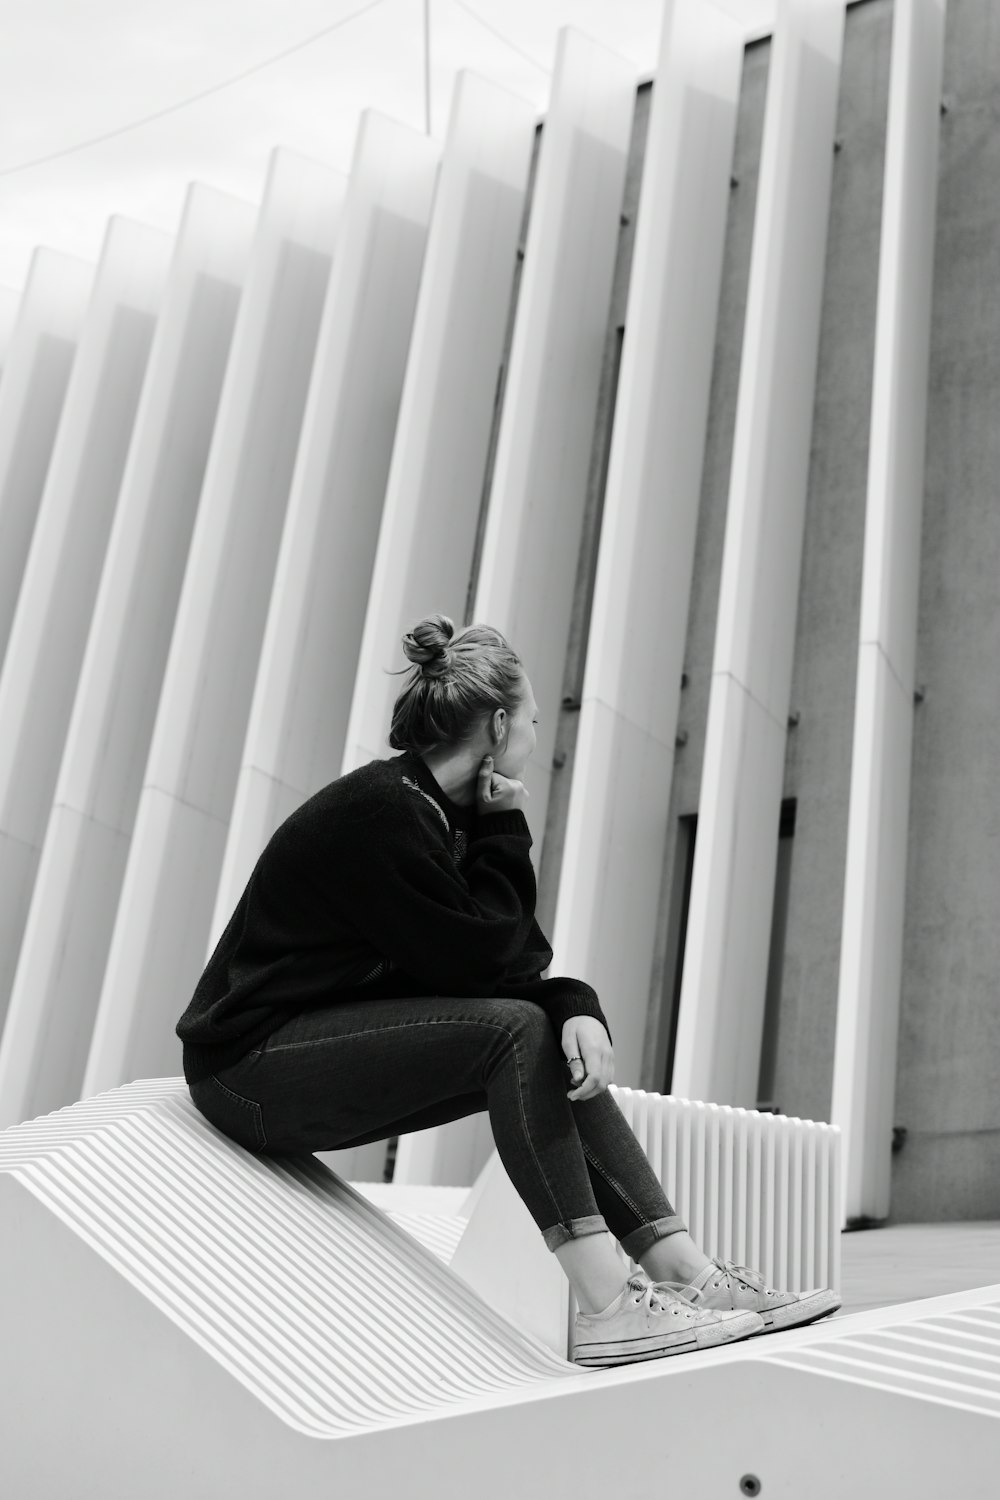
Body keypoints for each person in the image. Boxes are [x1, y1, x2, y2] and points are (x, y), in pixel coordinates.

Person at [176, 612, 840, 1368]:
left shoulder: (436, 813)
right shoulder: (382, 812)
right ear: (497, 724)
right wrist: (509, 827)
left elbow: (512, 961)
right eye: (528, 717)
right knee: (516, 1031)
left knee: (536, 1033)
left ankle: (687, 1275)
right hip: (249, 1070)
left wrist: (575, 1006)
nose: (536, 735)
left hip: (310, 1048)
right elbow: (484, 963)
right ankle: (608, 1307)